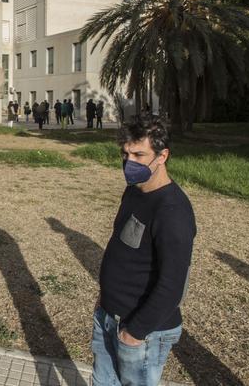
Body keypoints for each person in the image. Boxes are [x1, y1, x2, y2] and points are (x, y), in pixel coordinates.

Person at [93, 115, 195, 386]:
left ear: (162, 156)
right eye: (126, 154)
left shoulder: (172, 211)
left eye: (139, 154)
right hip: (108, 317)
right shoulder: (134, 191)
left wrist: (134, 333)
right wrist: (105, 301)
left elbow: (173, 286)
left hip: (143, 333)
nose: (130, 163)